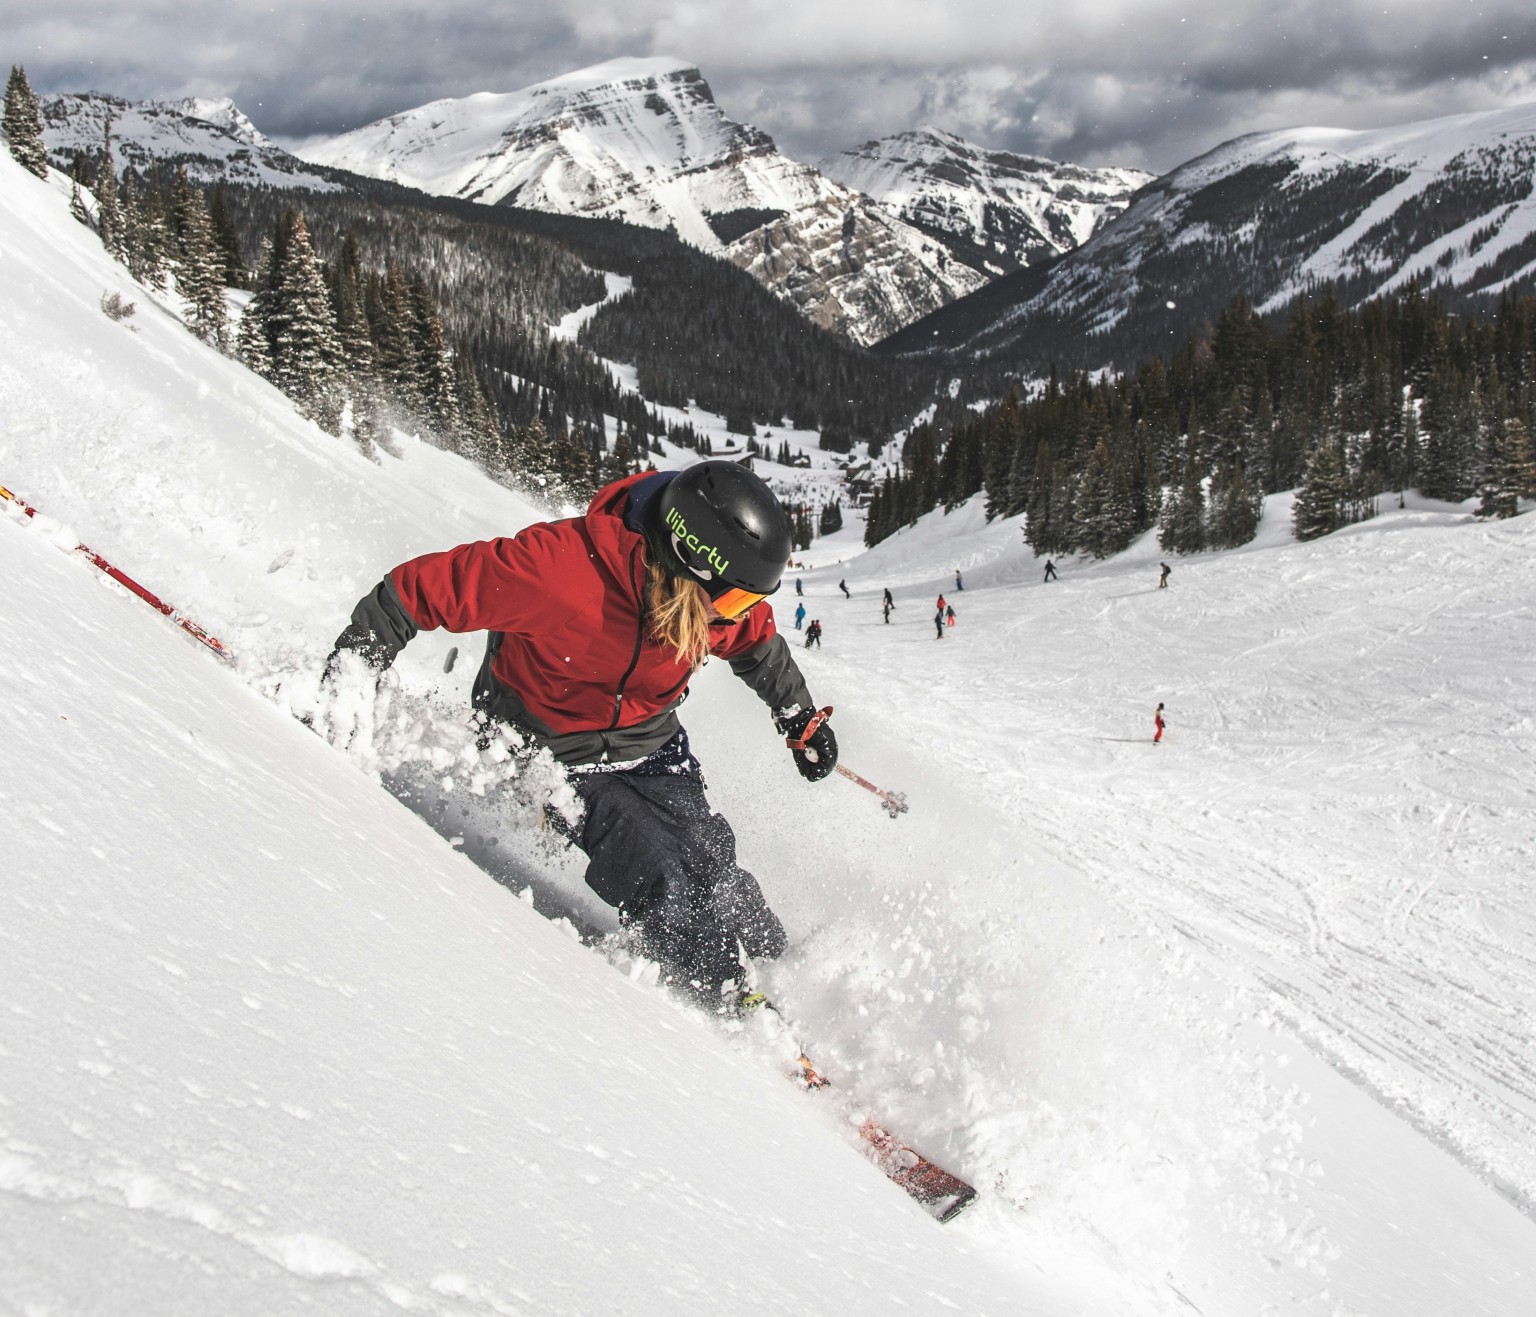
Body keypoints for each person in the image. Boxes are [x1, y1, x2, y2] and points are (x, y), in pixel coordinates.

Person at [325, 460, 839, 1004]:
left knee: (715, 867)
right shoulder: (563, 573)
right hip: (549, 747)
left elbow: (758, 645)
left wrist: (800, 716)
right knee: (658, 868)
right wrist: (348, 682)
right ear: (691, 562)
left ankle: (782, 970)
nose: (738, 615)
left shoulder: (714, 609)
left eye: (749, 601)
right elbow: (418, 590)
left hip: (650, 742)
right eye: (736, 599)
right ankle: (736, 1003)